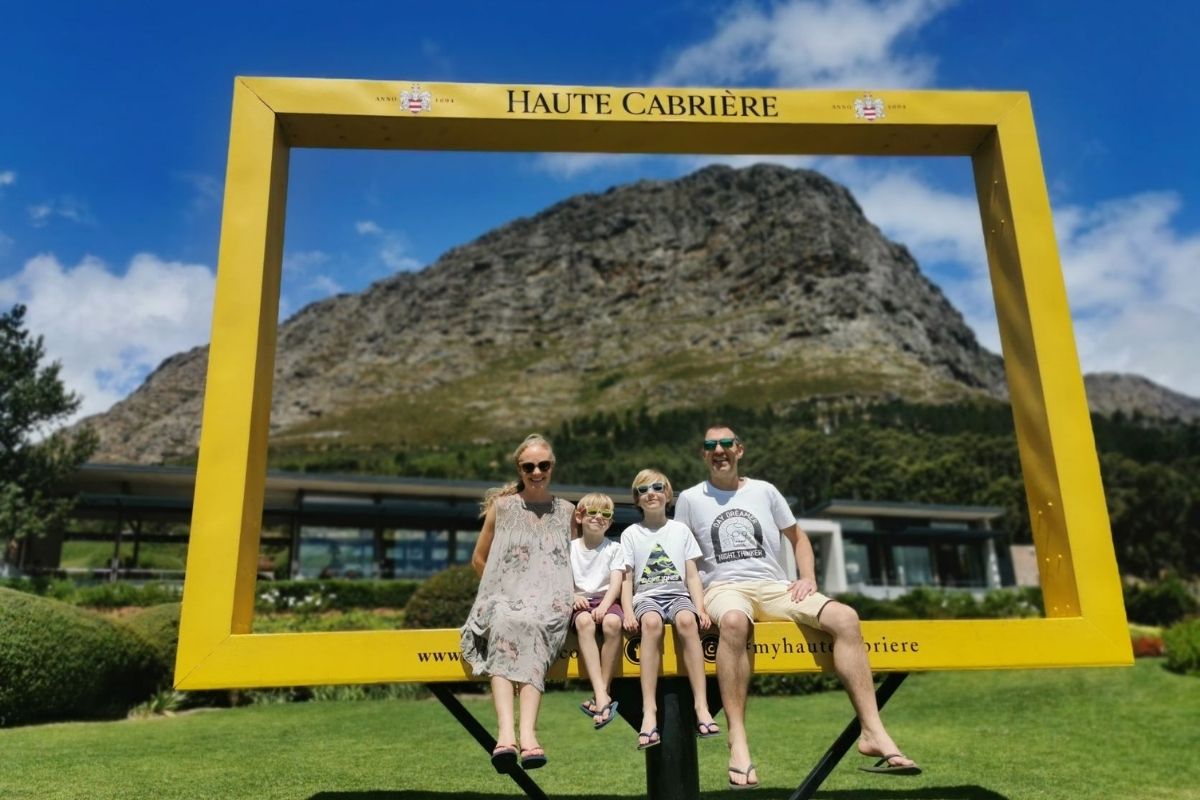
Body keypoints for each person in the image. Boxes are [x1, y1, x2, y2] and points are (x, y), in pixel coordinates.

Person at [673, 426, 920, 789]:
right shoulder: (691, 498)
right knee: (734, 622)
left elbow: (799, 538)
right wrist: (693, 602)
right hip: (724, 588)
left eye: (726, 444)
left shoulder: (765, 491)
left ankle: (872, 732)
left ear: (740, 450)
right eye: (711, 445)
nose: (719, 450)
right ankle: (737, 741)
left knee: (846, 617)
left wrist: (808, 578)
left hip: (775, 587)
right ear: (703, 454)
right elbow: (679, 552)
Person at [461, 434, 574, 772]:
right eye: (529, 466)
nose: (536, 471)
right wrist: (505, 590)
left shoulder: (568, 512)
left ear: (552, 467)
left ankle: (526, 735)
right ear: (520, 469)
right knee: (507, 621)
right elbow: (479, 559)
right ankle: (508, 736)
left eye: (543, 465)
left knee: (535, 624)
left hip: (550, 606)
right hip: (506, 602)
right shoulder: (503, 509)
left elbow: (579, 561)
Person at [620, 469, 721, 751]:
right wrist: (628, 611)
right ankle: (649, 712)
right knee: (650, 624)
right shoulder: (630, 534)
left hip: (678, 596)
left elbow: (692, 576)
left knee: (688, 622)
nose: (650, 493)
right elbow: (627, 579)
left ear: (667, 494)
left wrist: (700, 608)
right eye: (642, 490)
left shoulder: (681, 530)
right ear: (637, 500)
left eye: (656, 487)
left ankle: (701, 706)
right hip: (647, 598)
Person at [568, 492, 625, 729]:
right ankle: (602, 695)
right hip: (579, 603)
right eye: (592, 512)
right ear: (580, 517)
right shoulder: (568, 548)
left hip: (606, 601)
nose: (598, 517)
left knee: (613, 623)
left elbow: (616, 583)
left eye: (605, 514)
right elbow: (560, 579)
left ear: (610, 522)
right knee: (584, 623)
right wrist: (571, 596)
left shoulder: (615, 548)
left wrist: (603, 606)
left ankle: (601, 695)